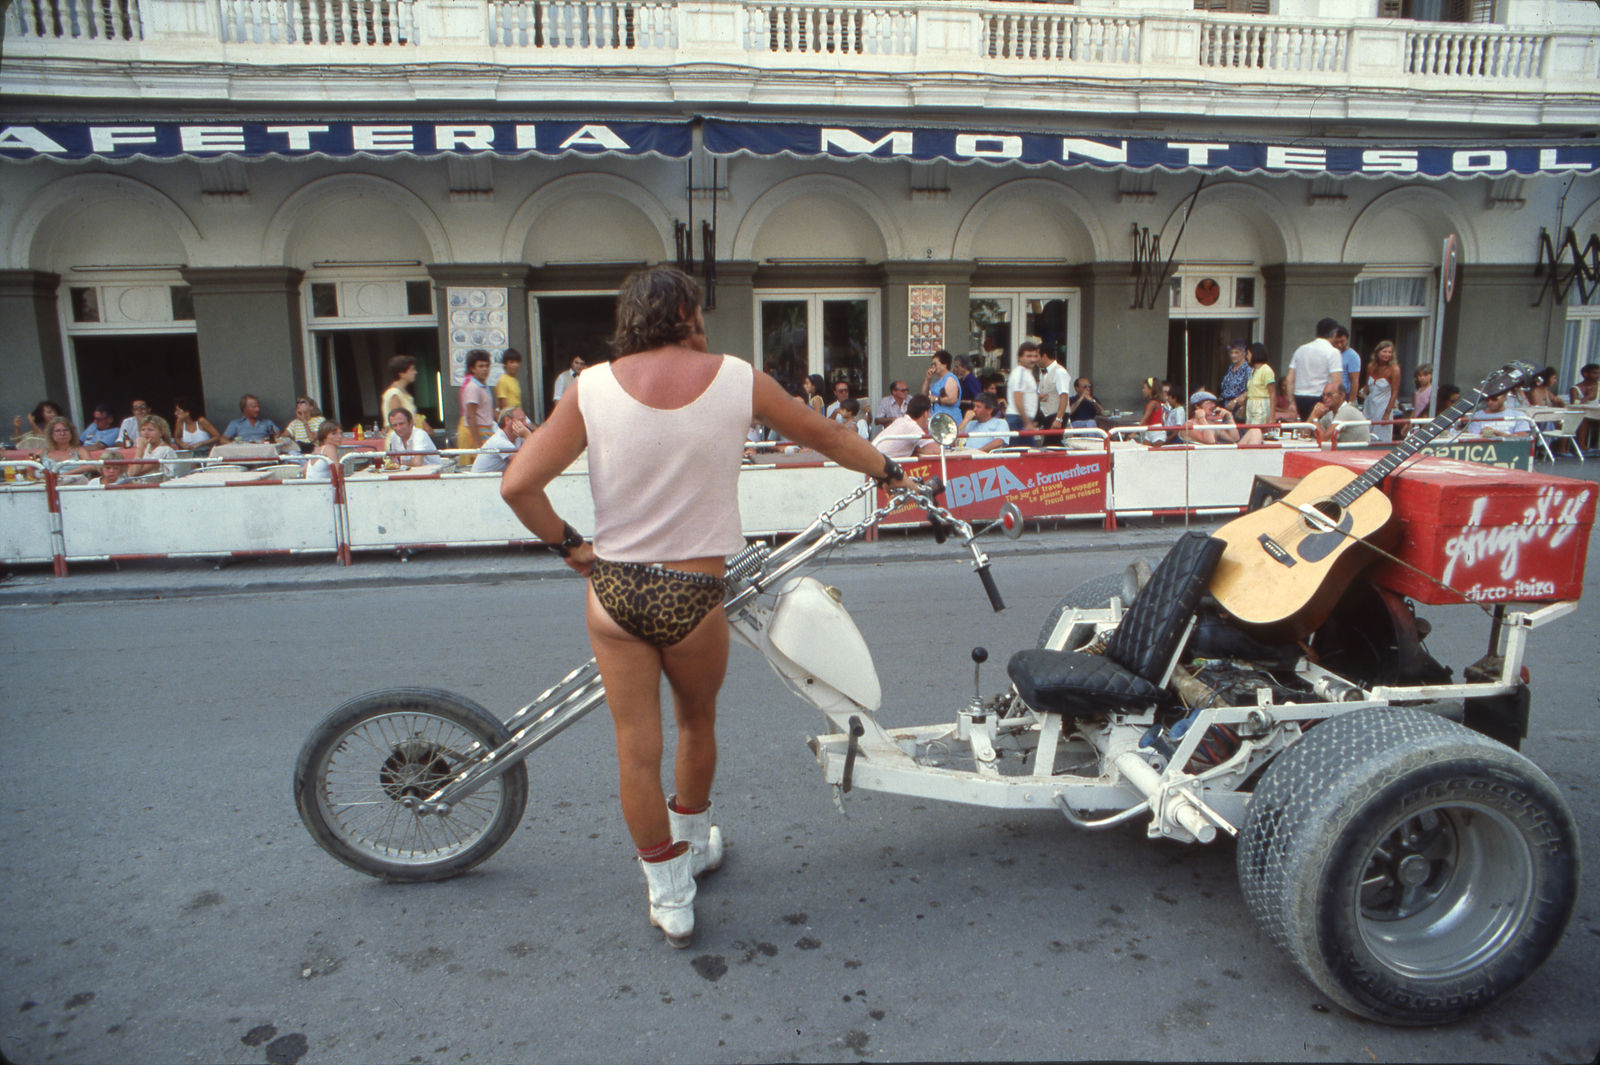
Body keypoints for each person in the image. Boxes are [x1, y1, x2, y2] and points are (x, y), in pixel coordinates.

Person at [498, 265, 909, 950]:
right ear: (687, 313)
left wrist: (572, 545)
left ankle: (671, 897)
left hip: (615, 590)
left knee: (636, 748)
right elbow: (826, 436)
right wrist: (888, 469)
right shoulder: (737, 378)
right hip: (693, 593)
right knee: (696, 723)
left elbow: (517, 483)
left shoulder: (590, 387)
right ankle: (692, 847)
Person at [1283, 318, 1344, 420]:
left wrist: (1292, 402)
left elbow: (1289, 379)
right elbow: (1336, 382)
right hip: (1321, 398)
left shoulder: (1300, 350)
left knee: (1306, 430)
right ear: (1334, 333)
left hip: (1300, 397)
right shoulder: (1333, 352)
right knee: (1319, 431)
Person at [1359, 340, 1401, 443]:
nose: (1387, 354)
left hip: (1383, 408)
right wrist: (1360, 393)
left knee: (1381, 439)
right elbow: (1367, 386)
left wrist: (1387, 413)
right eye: (1384, 351)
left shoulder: (1394, 369)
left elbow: (1395, 393)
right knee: (1364, 435)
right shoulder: (1371, 366)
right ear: (1377, 352)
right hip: (1369, 406)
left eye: (1389, 352)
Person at [31, 417, 98, 480]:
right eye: (57, 431)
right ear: (51, 434)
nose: (62, 433)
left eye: (65, 430)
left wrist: (64, 474)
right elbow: (30, 468)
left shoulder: (79, 450)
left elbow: (91, 466)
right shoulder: (43, 452)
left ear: (71, 433)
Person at [876, 393, 940, 460]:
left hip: (877, 460)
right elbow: (936, 450)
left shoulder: (901, 421)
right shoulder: (912, 426)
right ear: (925, 413)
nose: (930, 416)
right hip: (883, 465)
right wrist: (916, 449)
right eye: (929, 412)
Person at [456, 349, 496, 455]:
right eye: (481, 366)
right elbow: (470, 417)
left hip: (487, 429)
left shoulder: (484, 386)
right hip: (477, 432)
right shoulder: (473, 387)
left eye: (487, 366)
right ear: (472, 369)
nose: (485, 369)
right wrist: (479, 444)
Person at [117, 415, 179, 481]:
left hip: (157, 487)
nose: (146, 433)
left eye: (150, 430)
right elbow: (130, 472)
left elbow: (134, 473)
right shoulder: (148, 447)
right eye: (143, 429)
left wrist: (140, 449)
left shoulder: (164, 450)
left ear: (161, 432)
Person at [471, 407, 533, 473]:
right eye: (521, 420)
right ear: (507, 420)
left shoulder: (518, 437)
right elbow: (526, 463)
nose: (525, 424)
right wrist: (528, 435)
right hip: (481, 480)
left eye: (525, 420)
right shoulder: (499, 441)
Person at [1310, 382, 1371, 446]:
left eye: (1329, 395)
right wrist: (1314, 412)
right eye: (1323, 395)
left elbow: (1323, 439)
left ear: (1342, 396)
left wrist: (1315, 418)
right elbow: (1307, 434)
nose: (1325, 398)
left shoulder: (1347, 411)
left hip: (1358, 452)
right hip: (1345, 451)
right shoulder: (1330, 414)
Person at [382, 355, 429, 431]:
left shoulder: (402, 392)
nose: (415, 372)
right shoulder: (394, 394)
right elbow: (398, 423)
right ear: (402, 374)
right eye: (412, 369)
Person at [1006, 341, 1041, 443]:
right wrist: (1027, 422)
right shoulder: (1020, 373)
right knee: (1023, 454)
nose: (1032, 359)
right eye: (1028, 356)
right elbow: (1017, 399)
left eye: (1035, 356)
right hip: (1018, 419)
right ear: (1020, 357)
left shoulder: (1026, 373)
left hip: (1021, 418)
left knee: (1025, 454)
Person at [1467, 391, 1535, 437]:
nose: (1490, 402)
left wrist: (1497, 433)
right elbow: (1473, 437)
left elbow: (1522, 439)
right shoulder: (1477, 416)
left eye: (1494, 399)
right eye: (1487, 399)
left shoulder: (1519, 415)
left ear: (1504, 397)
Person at [1242, 343, 1277, 431]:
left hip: (1261, 404)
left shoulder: (1266, 370)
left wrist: (1272, 417)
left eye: (1248, 354)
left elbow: (1272, 394)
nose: (1247, 357)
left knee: (1256, 431)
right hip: (1251, 404)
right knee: (1249, 431)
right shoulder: (1253, 371)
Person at [1035, 349, 1071, 433]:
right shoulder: (1042, 374)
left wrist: (1059, 419)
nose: (1035, 360)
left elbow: (1064, 395)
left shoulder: (1059, 371)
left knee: (1052, 443)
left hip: (1056, 415)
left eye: (1037, 356)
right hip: (1045, 415)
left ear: (1044, 356)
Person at [923, 350, 961, 423]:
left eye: (935, 364)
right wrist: (927, 379)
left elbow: (952, 399)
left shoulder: (950, 379)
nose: (933, 367)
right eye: (932, 365)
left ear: (944, 364)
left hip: (949, 419)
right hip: (938, 419)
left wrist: (936, 399)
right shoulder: (937, 382)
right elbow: (924, 394)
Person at [1219, 340, 1251, 416]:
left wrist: (1235, 401)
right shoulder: (1230, 368)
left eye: (1236, 352)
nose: (1233, 355)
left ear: (1244, 354)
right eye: (1231, 353)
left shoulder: (1248, 369)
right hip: (1226, 406)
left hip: (1239, 408)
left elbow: (1251, 389)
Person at [1332, 325, 1359, 395]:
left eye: (1342, 341)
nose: (1339, 345)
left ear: (1347, 339)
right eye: (1336, 342)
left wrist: (1351, 402)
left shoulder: (1353, 356)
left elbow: (1354, 381)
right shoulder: (1330, 353)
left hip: (1343, 394)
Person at [496, 349, 524, 416]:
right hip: (510, 418)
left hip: (518, 415)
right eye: (511, 362)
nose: (515, 365)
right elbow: (503, 406)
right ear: (505, 364)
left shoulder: (515, 380)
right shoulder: (502, 380)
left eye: (517, 362)